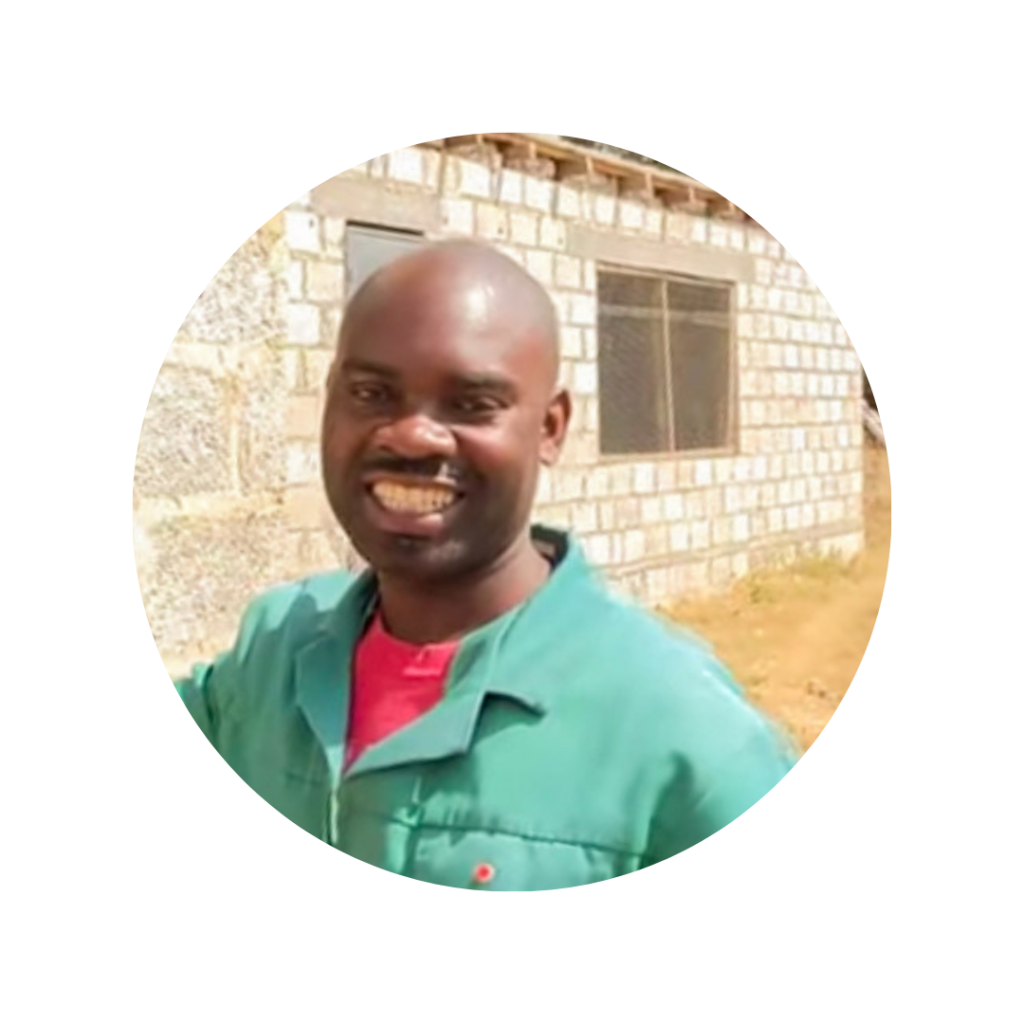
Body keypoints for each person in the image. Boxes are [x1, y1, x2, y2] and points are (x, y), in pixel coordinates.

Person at [174, 239, 799, 890]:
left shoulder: (681, 731)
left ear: (550, 428)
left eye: (472, 404)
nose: (411, 435)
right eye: (371, 392)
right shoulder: (269, 659)